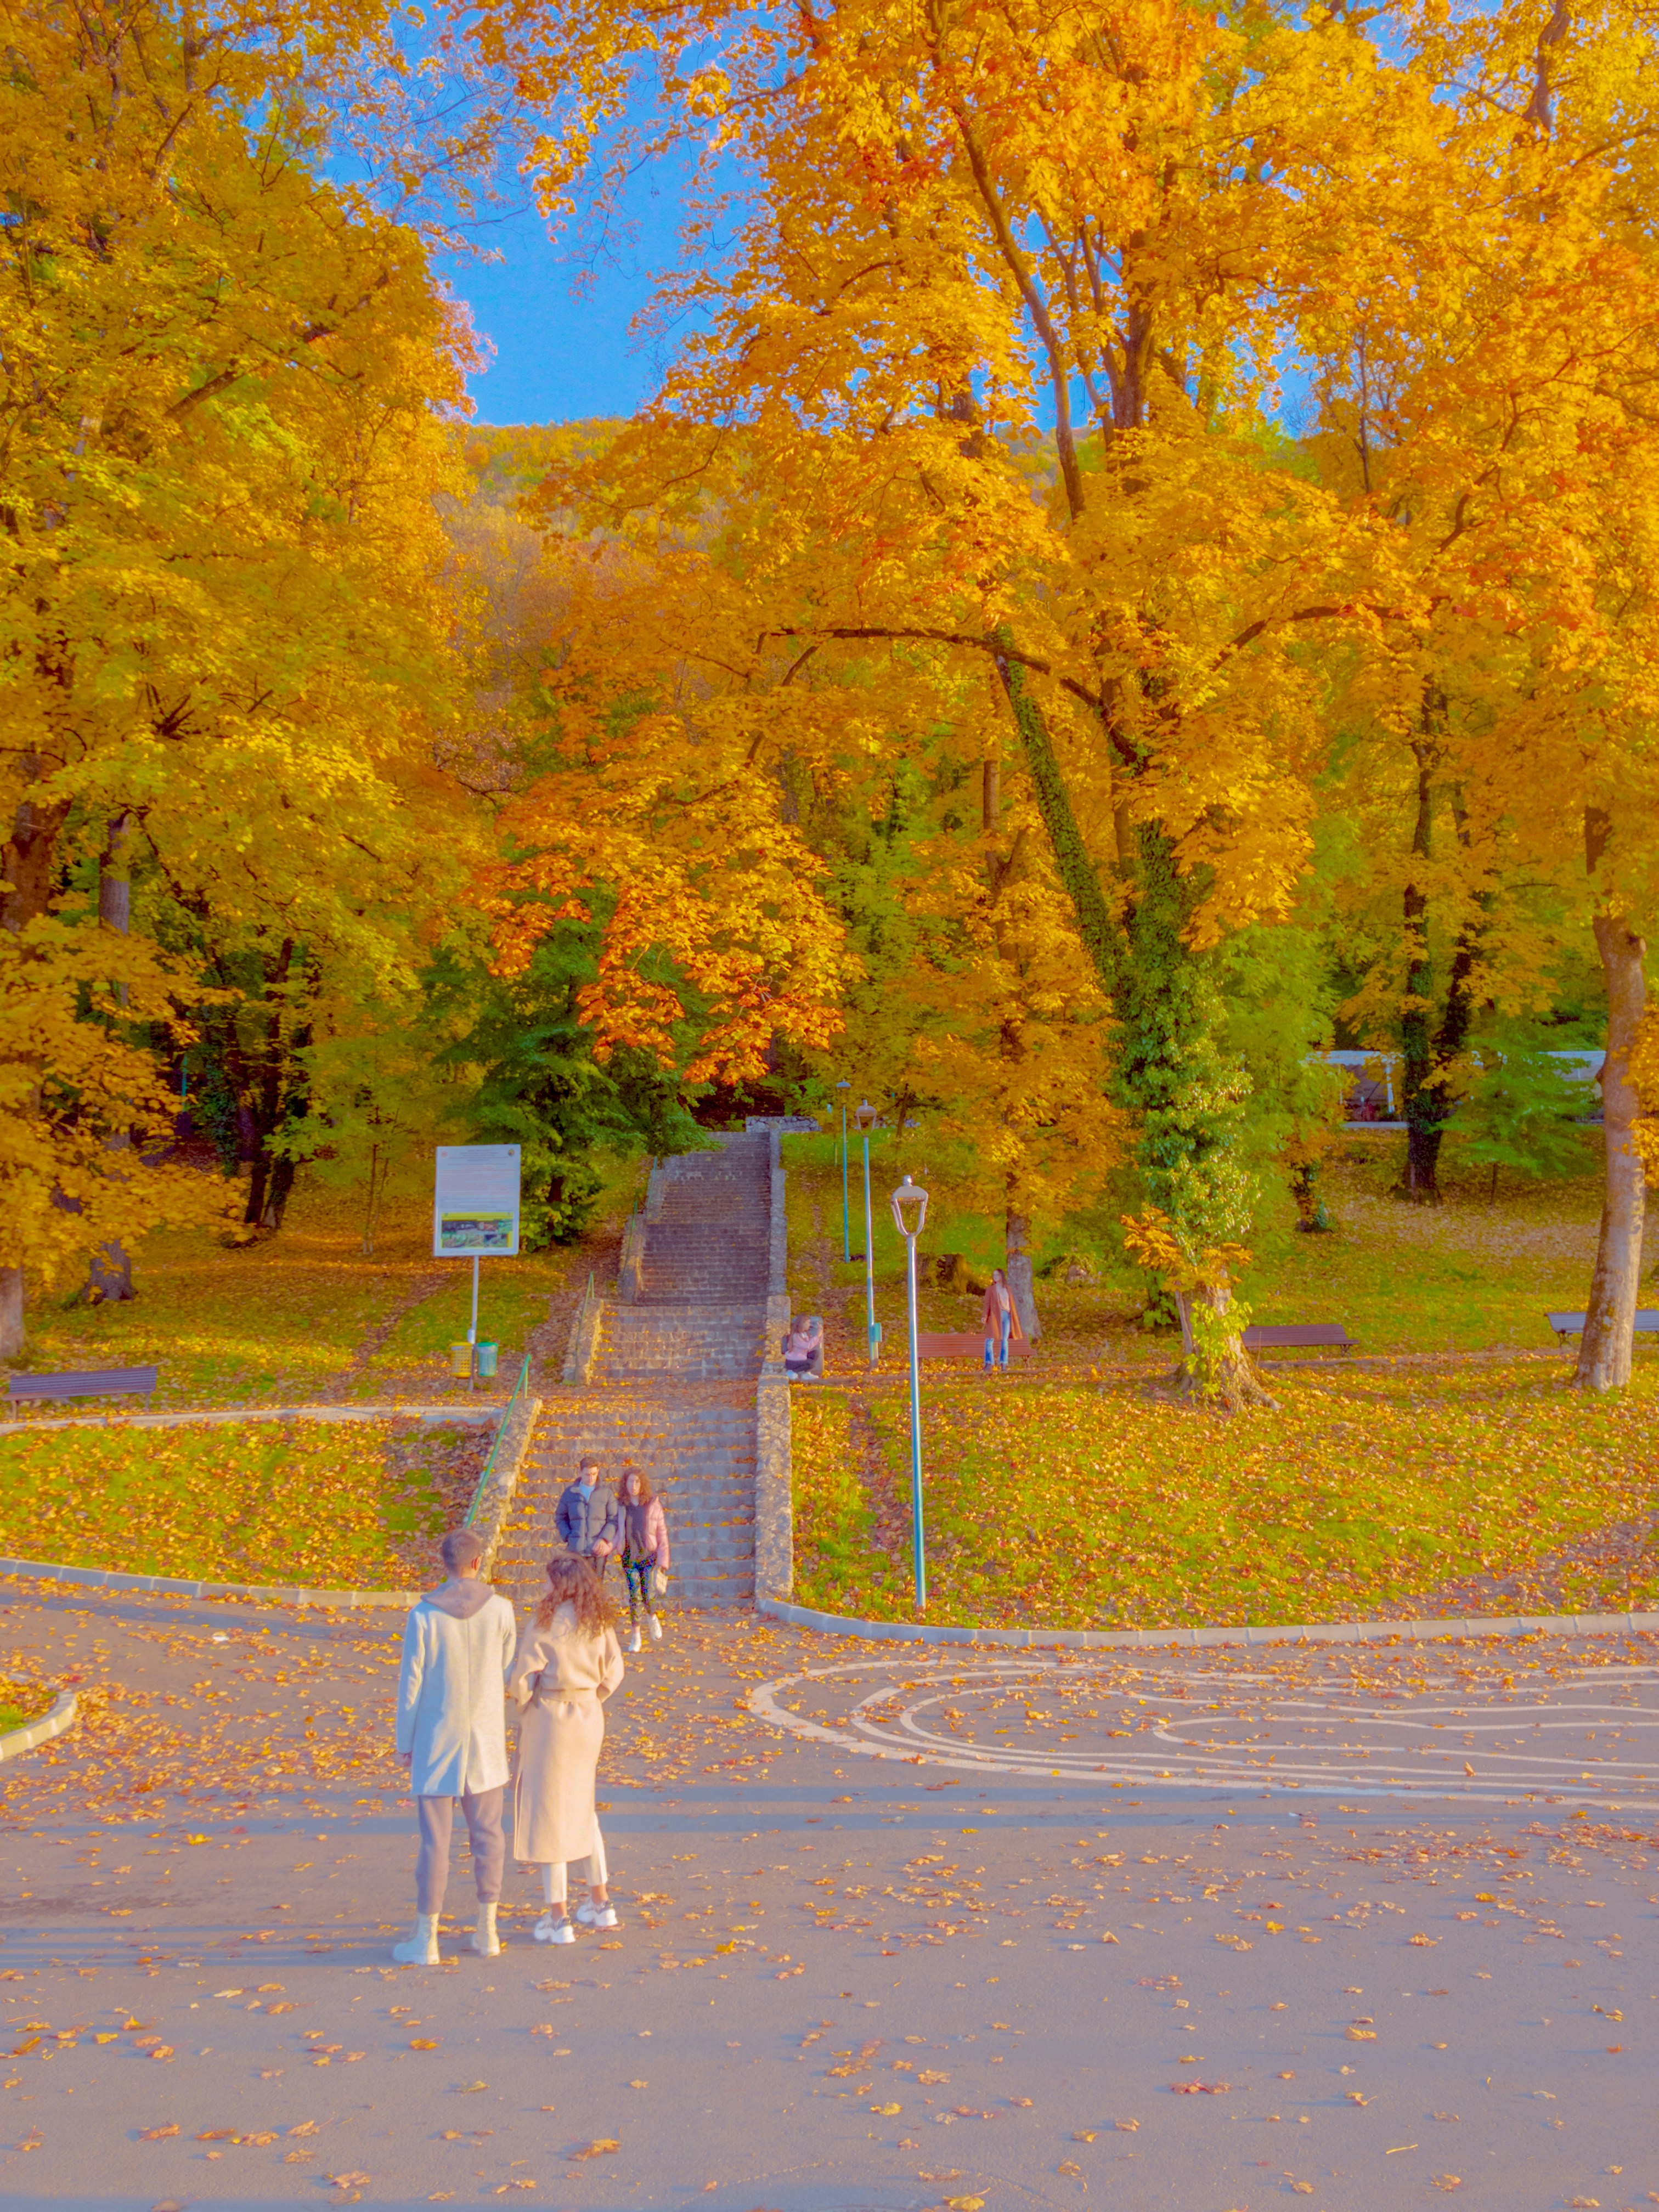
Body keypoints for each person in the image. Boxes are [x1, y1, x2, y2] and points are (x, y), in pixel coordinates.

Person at [393, 1525, 517, 1966]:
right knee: (489, 1837)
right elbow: (505, 1670)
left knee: (435, 1843)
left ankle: (427, 1936)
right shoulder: (502, 1611)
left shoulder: (424, 1615)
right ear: (477, 1562)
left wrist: (403, 1740)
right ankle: (488, 1928)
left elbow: (412, 1682)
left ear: (445, 1565)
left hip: (436, 1737)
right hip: (484, 1738)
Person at [510, 1554, 625, 1945]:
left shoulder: (545, 1623)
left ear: (558, 1585)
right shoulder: (598, 1622)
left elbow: (522, 1680)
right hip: (589, 1717)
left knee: (549, 1814)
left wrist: (525, 1708)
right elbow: (615, 1671)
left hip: (552, 1719)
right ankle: (601, 1901)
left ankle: (558, 1917)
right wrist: (594, 1698)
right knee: (583, 1807)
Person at [616, 1463, 670, 1655]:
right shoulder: (621, 1506)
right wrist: (612, 1545)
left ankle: (652, 1617)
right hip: (629, 1556)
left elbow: (662, 1533)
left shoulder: (652, 1504)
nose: (634, 1485)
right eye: (631, 1481)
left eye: (638, 1482)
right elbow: (616, 1530)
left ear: (643, 1484)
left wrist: (664, 1561)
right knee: (634, 1595)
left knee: (647, 1593)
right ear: (626, 1483)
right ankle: (636, 1636)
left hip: (648, 1556)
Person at [555, 1455, 619, 1578]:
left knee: (596, 1590)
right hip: (576, 1552)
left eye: (594, 1474)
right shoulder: (570, 1493)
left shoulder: (606, 1493)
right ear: (580, 1473)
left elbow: (614, 1519)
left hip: (597, 1552)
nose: (591, 1478)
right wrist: (569, 1536)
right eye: (587, 1474)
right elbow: (560, 1517)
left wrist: (604, 1539)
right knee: (577, 1589)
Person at [981, 1266, 1024, 1372]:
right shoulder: (991, 1289)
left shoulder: (1008, 1288)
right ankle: (989, 1363)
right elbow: (987, 1303)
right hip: (995, 1316)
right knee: (989, 1339)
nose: (995, 1277)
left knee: (1004, 1340)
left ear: (1001, 1276)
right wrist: (985, 1316)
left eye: (997, 1275)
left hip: (1006, 1315)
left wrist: (1014, 1316)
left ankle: (1004, 1363)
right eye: (994, 1275)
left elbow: (1012, 1303)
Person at [783, 1313, 823, 1380]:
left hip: (801, 1358)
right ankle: (791, 1372)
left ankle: (805, 1374)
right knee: (811, 1364)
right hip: (792, 1361)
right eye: (808, 1323)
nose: (809, 1325)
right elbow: (808, 1346)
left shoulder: (804, 1334)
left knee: (815, 1353)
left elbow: (814, 1344)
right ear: (803, 1323)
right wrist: (817, 1336)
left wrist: (820, 1334)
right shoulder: (796, 1336)